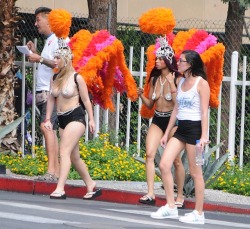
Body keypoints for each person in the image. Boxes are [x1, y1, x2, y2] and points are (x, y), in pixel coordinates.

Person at [150, 50, 210, 225]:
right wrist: (167, 132)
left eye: (182, 61)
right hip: (181, 128)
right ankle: (171, 206)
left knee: (196, 172)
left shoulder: (201, 83)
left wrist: (204, 136)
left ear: (190, 64)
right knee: (164, 164)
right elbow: (176, 109)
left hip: (195, 130)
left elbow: (204, 111)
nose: (179, 63)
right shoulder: (181, 81)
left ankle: (199, 213)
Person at [44, 37, 101, 200]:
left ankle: (60, 188)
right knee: (74, 156)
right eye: (54, 57)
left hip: (76, 118)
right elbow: (51, 99)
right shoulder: (54, 78)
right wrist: (48, 118)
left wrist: (91, 119)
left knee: (64, 151)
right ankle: (90, 184)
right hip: (62, 119)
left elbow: (86, 100)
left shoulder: (77, 78)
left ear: (65, 60)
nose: (54, 61)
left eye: (57, 58)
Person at [137, 37, 185, 206]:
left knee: (176, 160)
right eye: (156, 58)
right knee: (149, 154)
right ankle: (150, 193)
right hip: (158, 119)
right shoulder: (154, 79)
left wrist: (172, 84)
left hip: (173, 122)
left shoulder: (177, 79)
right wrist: (141, 94)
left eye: (159, 59)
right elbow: (150, 104)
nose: (156, 61)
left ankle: (180, 196)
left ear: (167, 61)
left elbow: (177, 102)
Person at [27, 7, 59, 181]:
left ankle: (52, 172)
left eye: (38, 20)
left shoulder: (58, 40)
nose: (36, 23)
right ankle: (55, 171)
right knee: (48, 129)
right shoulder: (49, 41)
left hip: (49, 92)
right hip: (44, 92)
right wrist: (35, 53)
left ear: (49, 20)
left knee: (47, 128)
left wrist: (38, 58)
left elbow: (58, 63)